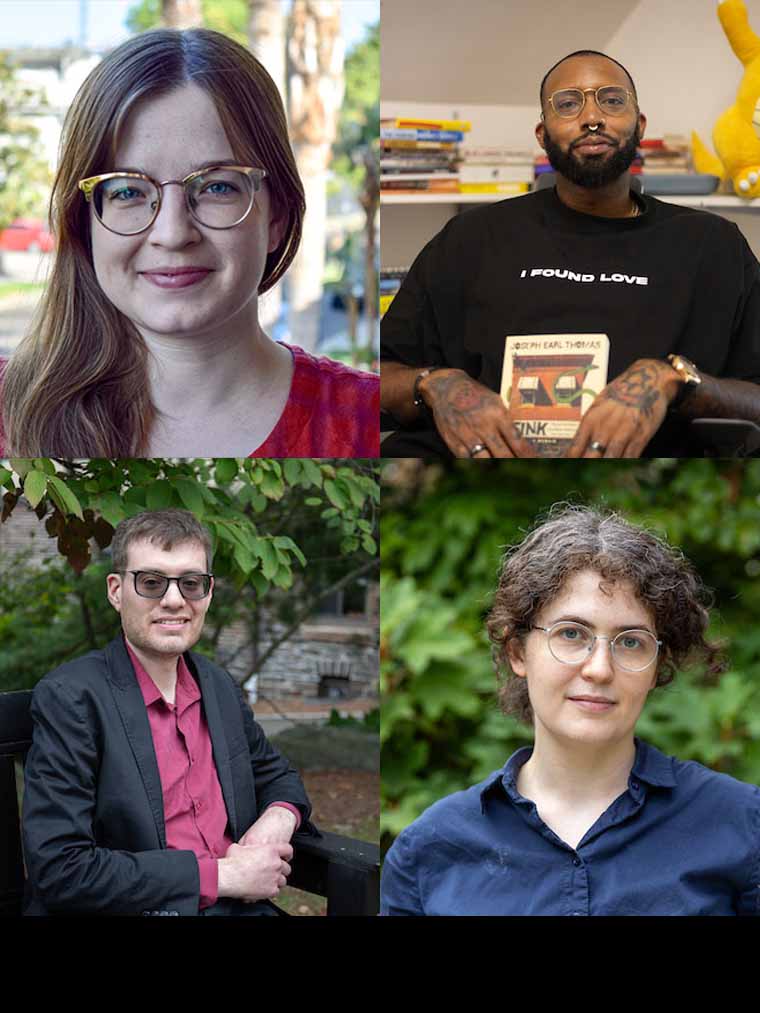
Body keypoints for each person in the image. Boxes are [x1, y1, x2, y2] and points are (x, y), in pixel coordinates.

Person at [0, 28, 378, 458]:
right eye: (127, 191)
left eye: (217, 187)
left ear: (277, 216)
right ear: (85, 221)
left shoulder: (367, 420)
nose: (173, 233)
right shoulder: (6, 412)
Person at [380, 49, 760, 459]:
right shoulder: (470, 238)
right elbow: (374, 378)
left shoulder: (713, 245)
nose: (592, 117)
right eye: (568, 103)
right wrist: (437, 385)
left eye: (612, 100)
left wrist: (675, 380)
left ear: (639, 124)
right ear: (542, 135)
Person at [381, 505, 760, 916]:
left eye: (630, 641)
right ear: (517, 652)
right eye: (571, 634)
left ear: (656, 668)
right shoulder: (430, 847)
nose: (599, 668)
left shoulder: (742, 823)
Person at [23, 508, 313, 916]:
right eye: (152, 582)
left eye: (191, 583)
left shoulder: (219, 688)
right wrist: (224, 876)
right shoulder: (72, 699)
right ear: (115, 590)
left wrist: (278, 820)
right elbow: (61, 869)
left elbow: (278, 775)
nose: (174, 600)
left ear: (208, 593)